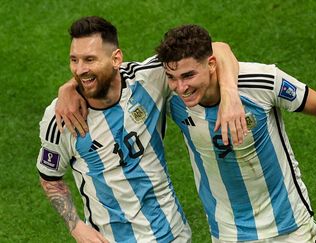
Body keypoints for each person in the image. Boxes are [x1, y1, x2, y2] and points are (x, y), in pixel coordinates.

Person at [153, 25, 316, 242]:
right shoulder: (170, 95)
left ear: (211, 65)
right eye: (173, 77)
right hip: (228, 233)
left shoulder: (260, 82)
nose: (181, 87)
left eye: (188, 75)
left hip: (290, 225)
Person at [37, 16, 246, 243]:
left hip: (173, 235)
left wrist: (230, 95)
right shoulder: (60, 117)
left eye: (89, 59)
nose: (80, 69)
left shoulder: (149, 79)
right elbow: (50, 177)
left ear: (116, 59)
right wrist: (75, 226)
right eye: (74, 60)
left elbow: (217, 49)